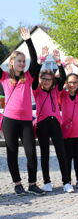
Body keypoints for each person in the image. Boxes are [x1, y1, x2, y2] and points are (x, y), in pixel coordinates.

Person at [1, 28, 44, 195]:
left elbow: (34, 60)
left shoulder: (29, 76)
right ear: (12, 62)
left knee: (31, 152)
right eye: (19, 61)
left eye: (22, 61)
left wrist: (28, 40)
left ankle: (32, 183)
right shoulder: (4, 77)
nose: (22, 63)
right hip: (10, 120)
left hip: (26, 120)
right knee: (12, 153)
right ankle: (17, 183)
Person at [32, 47, 74, 193]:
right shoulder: (36, 91)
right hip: (42, 123)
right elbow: (34, 74)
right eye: (43, 79)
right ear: (40, 80)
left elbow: (62, 78)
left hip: (55, 123)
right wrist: (41, 60)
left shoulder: (56, 90)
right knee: (44, 154)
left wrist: (58, 62)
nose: (46, 81)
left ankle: (66, 182)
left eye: (49, 79)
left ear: (52, 81)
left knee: (61, 152)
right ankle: (47, 181)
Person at [60, 58, 78, 190]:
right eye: (70, 82)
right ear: (67, 83)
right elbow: (58, 81)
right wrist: (63, 65)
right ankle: (66, 182)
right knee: (67, 157)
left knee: (77, 156)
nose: (72, 85)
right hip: (65, 131)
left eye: (75, 82)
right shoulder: (62, 94)